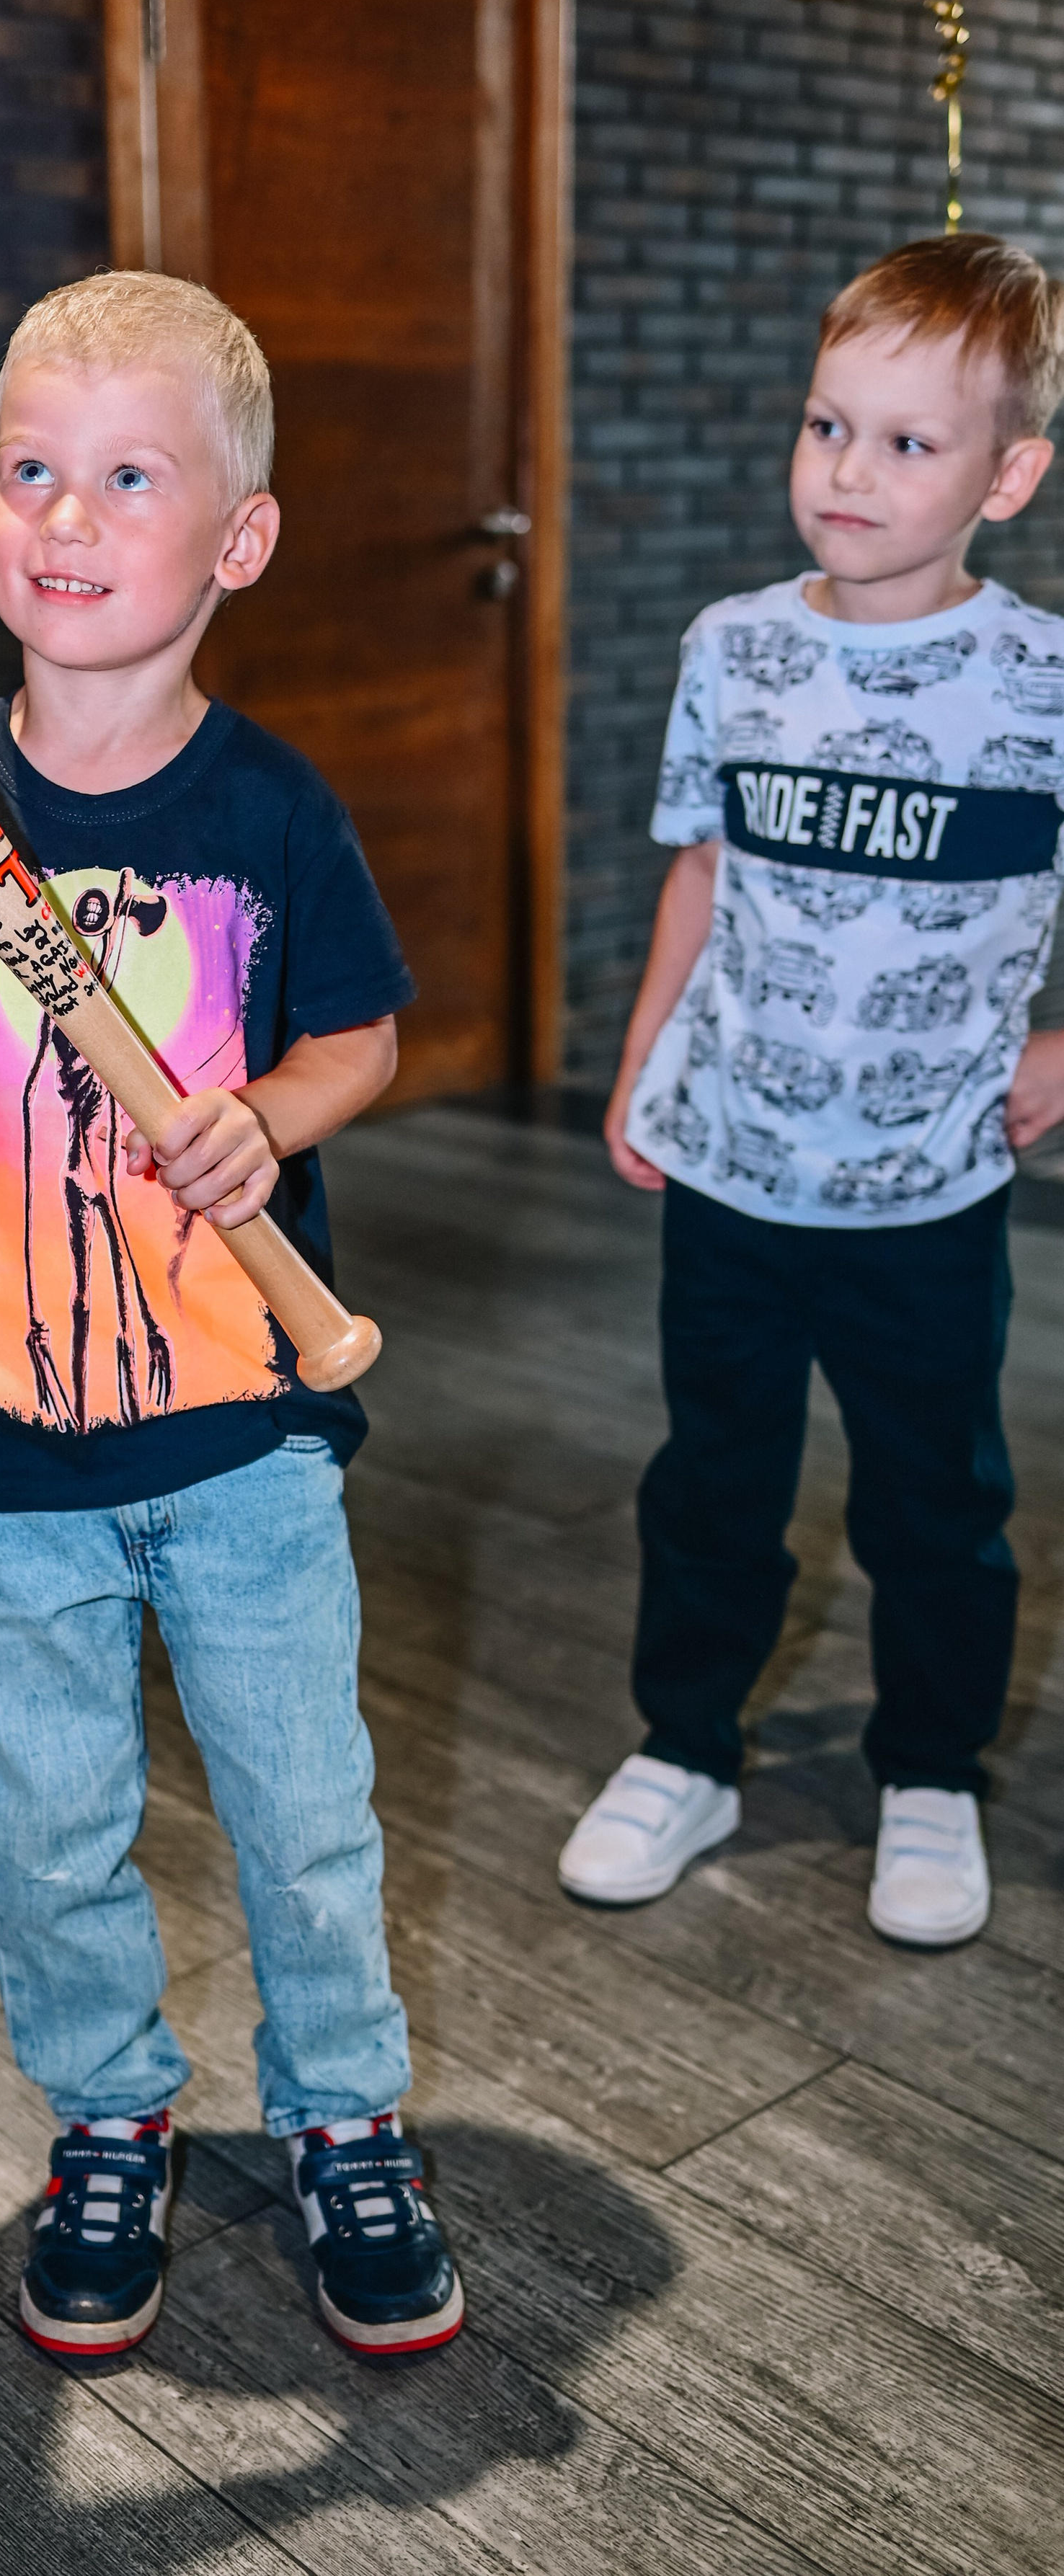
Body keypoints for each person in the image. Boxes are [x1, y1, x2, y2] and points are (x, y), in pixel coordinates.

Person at [0, 272, 463, 2360]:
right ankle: (111, 2114)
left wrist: (266, 1115)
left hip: (244, 1433)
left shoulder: (268, 808)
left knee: (302, 1811)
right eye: (29, 469)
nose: (67, 509)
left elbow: (362, 1037)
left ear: (234, 537)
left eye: (128, 473)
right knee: (48, 1828)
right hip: (0, 1458)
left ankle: (347, 2119)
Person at [559, 231, 1064, 1948]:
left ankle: (928, 1773)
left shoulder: (1040, 683)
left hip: (924, 1194)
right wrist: (640, 1061)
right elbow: (701, 874)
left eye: (905, 443)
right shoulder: (736, 649)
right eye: (824, 425)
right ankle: (684, 1746)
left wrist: (1059, 1056)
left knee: (936, 1501)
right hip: (730, 1171)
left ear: (1006, 474)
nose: (846, 471)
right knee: (712, 1481)